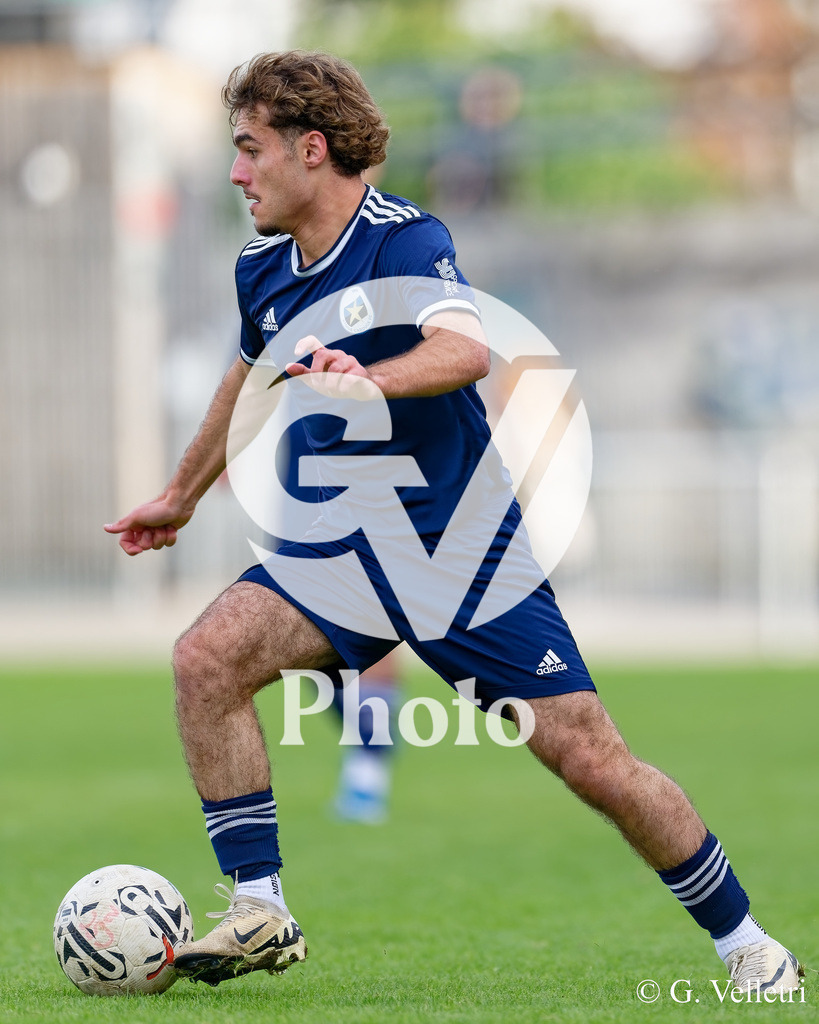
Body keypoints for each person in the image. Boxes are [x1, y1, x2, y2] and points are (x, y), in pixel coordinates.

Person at [104, 50, 802, 993]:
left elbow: (465, 347)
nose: (236, 172)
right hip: (340, 551)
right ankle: (259, 908)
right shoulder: (260, 267)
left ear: (311, 150)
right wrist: (181, 495)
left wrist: (368, 378)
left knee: (588, 758)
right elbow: (244, 376)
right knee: (206, 658)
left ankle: (749, 946)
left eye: (249, 149)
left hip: (454, 549)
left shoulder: (403, 240)